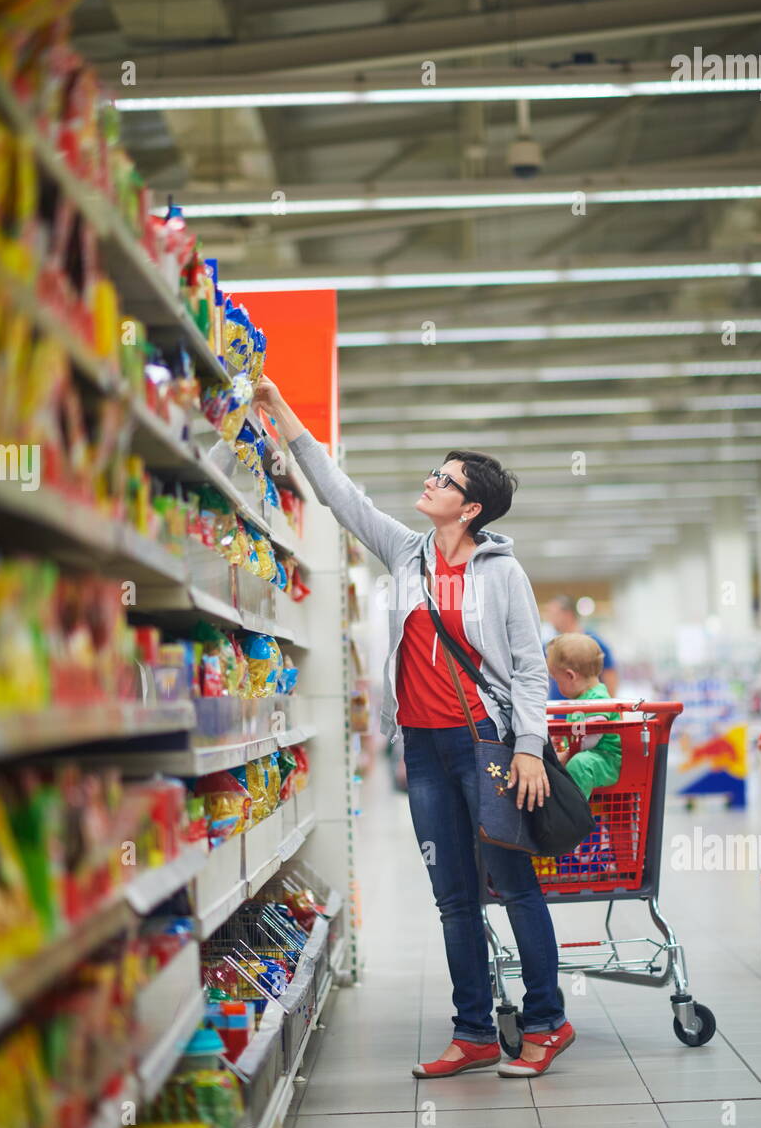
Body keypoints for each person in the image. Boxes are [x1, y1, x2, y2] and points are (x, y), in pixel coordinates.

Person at [253, 375, 576, 1080]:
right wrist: (282, 413)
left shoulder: (502, 574)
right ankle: (474, 1032)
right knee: (453, 896)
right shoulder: (406, 556)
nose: (429, 482)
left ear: (472, 506)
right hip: (423, 753)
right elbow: (344, 500)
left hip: (486, 746)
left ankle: (547, 1020)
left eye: (445, 479)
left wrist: (526, 749)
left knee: (513, 884)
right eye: (434, 472)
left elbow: (528, 669)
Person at [545, 634, 621, 797]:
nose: (557, 686)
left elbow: (593, 735)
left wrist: (567, 753)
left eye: (557, 681)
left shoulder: (598, 698)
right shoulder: (579, 699)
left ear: (571, 676)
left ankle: (573, 814)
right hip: (591, 756)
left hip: (606, 759)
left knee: (579, 764)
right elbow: (576, 733)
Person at [544, 595, 618, 700]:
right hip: (563, 712)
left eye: (553, 614)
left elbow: (610, 676)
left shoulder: (595, 643)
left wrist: (608, 707)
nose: (549, 619)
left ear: (568, 615)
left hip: (590, 710)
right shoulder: (551, 647)